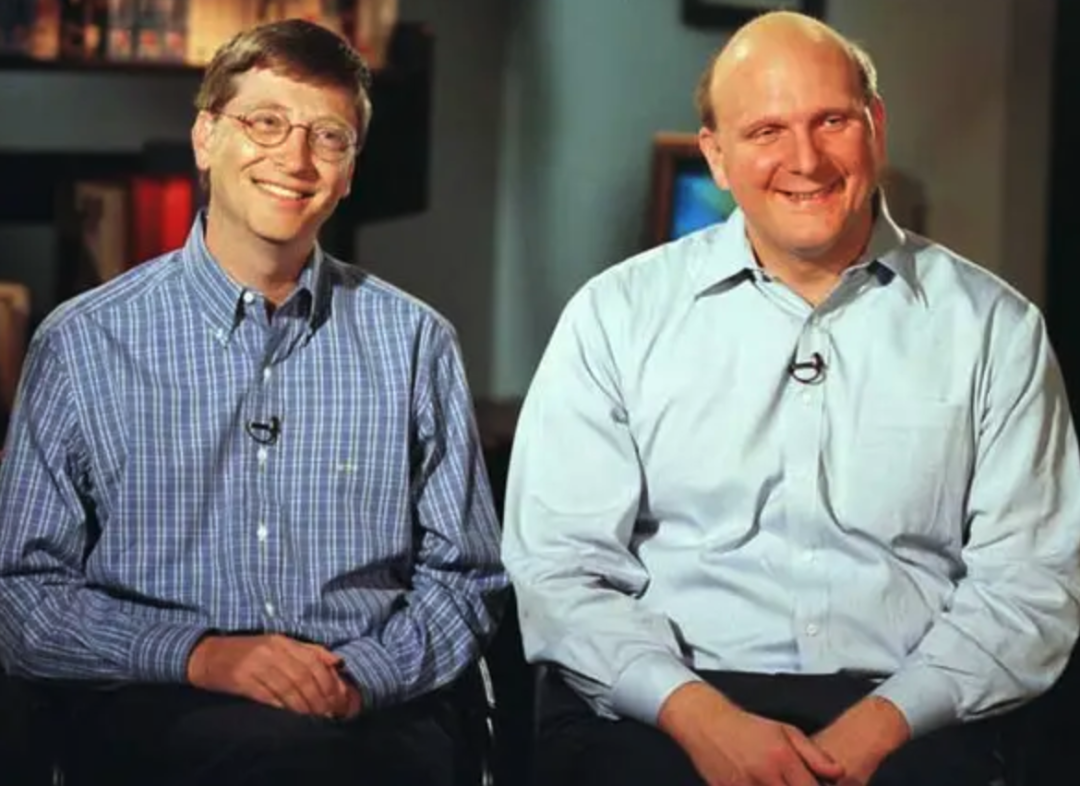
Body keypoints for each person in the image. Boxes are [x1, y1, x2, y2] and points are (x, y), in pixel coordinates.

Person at [502, 11, 1080, 786]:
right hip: (670, 709)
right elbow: (560, 572)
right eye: (766, 131)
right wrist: (703, 720)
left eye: (831, 121)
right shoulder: (614, 317)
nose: (805, 160)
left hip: (909, 714)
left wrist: (877, 729)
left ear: (875, 127)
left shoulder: (996, 331)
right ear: (716, 155)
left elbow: (1031, 587)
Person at [0, 18, 507, 786]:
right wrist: (203, 656)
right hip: (163, 705)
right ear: (206, 138)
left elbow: (465, 580)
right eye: (265, 122)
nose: (294, 160)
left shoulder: (416, 343)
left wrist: (357, 678)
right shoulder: (82, 344)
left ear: (349, 170)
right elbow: (23, 601)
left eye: (327, 137)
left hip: (372, 709)